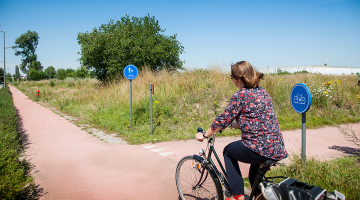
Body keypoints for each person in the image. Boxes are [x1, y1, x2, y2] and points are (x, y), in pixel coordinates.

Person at [195, 61, 288, 200]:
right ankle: (260, 196)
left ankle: (237, 196)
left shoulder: (240, 95)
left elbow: (223, 119)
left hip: (259, 147)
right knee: (254, 176)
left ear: (237, 79)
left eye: (231, 77)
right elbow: (261, 117)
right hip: (276, 147)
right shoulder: (262, 91)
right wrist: (239, 125)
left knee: (228, 152)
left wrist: (205, 134)